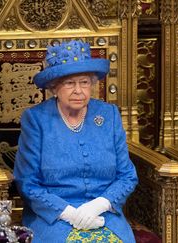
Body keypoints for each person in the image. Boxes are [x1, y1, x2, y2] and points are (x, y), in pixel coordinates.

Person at [13, 40, 138, 243]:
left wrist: (101, 204)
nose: (78, 91)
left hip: (104, 214)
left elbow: (127, 176)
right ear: (54, 87)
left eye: (84, 82)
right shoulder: (36, 120)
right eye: (70, 83)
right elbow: (28, 183)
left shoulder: (109, 115)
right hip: (53, 218)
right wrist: (69, 213)